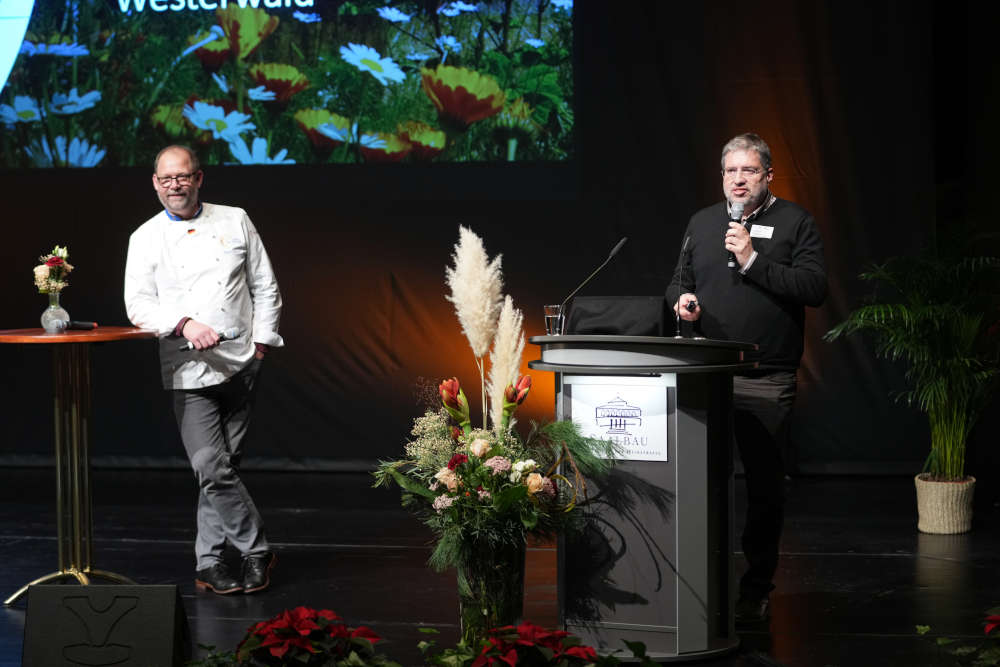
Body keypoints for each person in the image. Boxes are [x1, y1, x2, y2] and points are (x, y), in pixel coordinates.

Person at [668, 133, 826, 623]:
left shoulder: (794, 222)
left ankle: (755, 588)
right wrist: (682, 302)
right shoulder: (702, 222)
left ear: (768, 176)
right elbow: (679, 279)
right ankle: (699, 581)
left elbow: (814, 287)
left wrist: (752, 261)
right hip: (708, 371)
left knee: (762, 488)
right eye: (731, 172)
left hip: (765, 376)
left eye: (749, 171)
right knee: (698, 483)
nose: (738, 180)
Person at [124, 145, 284, 595]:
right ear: (155, 184)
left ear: (199, 178)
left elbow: (265, 285)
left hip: (240, 362)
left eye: (183, 176)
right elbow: (138, 305)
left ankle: (210, 562)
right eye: (166, 178)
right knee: (210, 465)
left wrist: (262, 344)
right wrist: (183, 323)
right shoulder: (146, 237)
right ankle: (257, 550)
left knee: (222, 467)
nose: (175, 184)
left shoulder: (235, 219)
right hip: (187, 368)